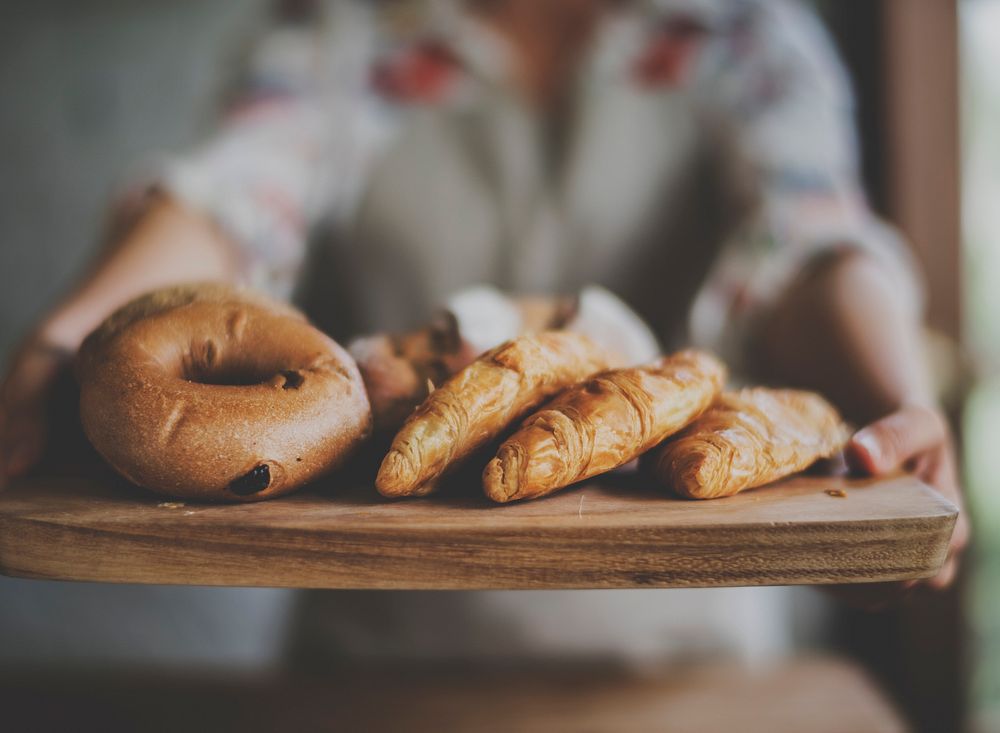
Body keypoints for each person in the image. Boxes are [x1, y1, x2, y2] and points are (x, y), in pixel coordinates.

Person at [0, 0, 967, 665]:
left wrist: (895, 400)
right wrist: (74, 335)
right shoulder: (351, 31)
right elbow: (232, 201)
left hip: (682, 650)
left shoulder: (741, 32)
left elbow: (807, 250)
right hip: (382, 654)